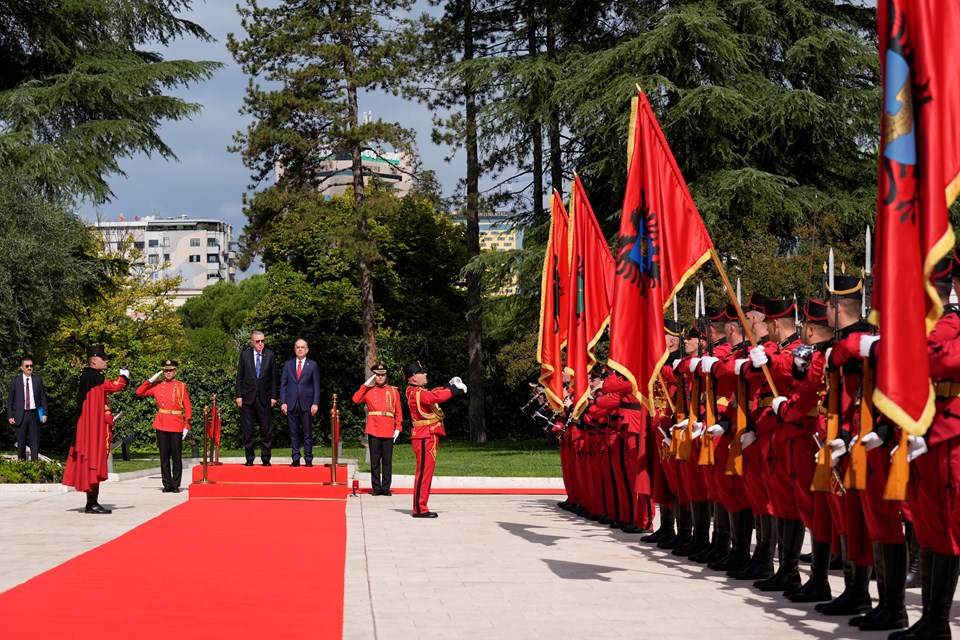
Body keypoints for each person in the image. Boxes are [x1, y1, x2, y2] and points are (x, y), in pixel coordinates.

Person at [62, 345, 129, 514]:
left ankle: (92, 502)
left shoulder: (91, 376)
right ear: (93, 360)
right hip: (92, 428)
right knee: (93, 460)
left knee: (94, 461)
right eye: (103, 358)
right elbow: (114, 386)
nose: (106, 361)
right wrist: (124, 377)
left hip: (92, 426)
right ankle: (91, 503)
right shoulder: (92, 377)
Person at [403, 360, 466, 518]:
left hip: (428, 435)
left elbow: (432, 393)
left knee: (427, 472)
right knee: (424, 472)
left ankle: (421, 506)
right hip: (424, 435)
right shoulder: (415, 392)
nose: (425, 374)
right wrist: (452, 389)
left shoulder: (418, 391)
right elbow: (432, 397)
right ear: (413, 378)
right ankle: (419, 508)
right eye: (421, 372)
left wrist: (448, 384)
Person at [136, 359, 192, 493]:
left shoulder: (181, 386)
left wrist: (187, 425)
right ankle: (167, 484)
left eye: (170, 370)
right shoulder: (157, 385)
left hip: (176, 423)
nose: (168, 373)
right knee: (164, 456)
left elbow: (188, 407)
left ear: (175, 372)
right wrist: (150, 379)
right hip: (161, 423)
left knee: (176, 457)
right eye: (165, 370)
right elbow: (139, 392)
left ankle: (176, 484)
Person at [352, 361, 403, 495]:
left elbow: (398, 411)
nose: (380, 377)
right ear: (374, 376)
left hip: (388, 428)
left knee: (387, 461)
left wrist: (398, 427)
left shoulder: (393, 391)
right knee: (375, 461)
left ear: (386, 376)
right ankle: (376, 488)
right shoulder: (369, 390)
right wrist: (365, 385)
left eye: (383, 375)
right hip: (374, 428)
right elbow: (355, 399)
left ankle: (385, 488)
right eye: (377, 375)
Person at [236, 331, 278, 466]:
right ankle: (249, 458)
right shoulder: (245, 355)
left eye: (263, 341)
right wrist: (239, 396)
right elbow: (239, 378)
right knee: (248, 430)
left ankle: (266, 459)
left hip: (265, 398)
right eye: (258, 341)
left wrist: (274, 396)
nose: (261, 344)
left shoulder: (270, 355)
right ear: (252, 342)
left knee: (266, 429)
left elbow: (273, 378)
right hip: (248, 397)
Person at [280, 339, 320, 467]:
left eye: (303, 347)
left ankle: (308, 458)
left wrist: (315, 403)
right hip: (291, 403)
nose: (300, 349)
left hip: (307, 404)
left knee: (307, 433)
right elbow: (283, 385)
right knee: (293, 433)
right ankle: (295, 458)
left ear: (307, 349)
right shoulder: (288, 364)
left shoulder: (312, 365)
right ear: (294, 349)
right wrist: (283, 402)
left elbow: (316, 386)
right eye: (297, 347)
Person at [7, 356, 48, 461]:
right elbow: (10, 400)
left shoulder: (37, 380)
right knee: (21, 442)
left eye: (31, 366)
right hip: (21, 415)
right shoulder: (15, 381)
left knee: (35, 442)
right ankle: (22, 465)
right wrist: (10, 416)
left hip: (34, 414)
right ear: (22, 367)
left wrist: (44, 414)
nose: (29, 367)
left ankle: (35, 466)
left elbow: (43, 397)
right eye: (27, 366)